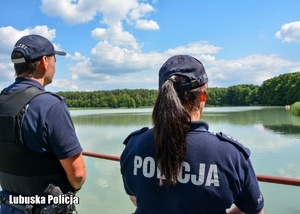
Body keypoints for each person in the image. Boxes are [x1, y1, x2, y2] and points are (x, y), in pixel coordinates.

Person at [120, 55, 264, 214]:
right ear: (203, 95)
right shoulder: (230, 154)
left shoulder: (134, 145)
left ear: (162, 95)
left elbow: (136, 198)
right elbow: (254, 210)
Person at [0, 34, 86, 213]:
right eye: (55, 60)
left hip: (7, 206)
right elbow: (77, 175)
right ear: (44, 62)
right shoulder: (50, 105)